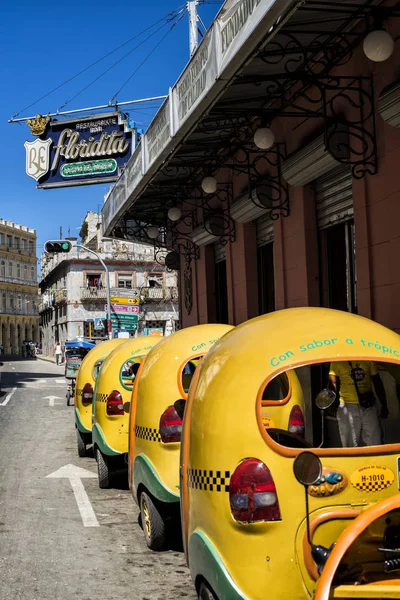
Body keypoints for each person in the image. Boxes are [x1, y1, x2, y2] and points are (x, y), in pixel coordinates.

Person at [329, 360, 388, 447]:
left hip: (368, 406)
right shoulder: (337, 361)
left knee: (375, 443)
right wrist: (333, 403)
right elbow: (333, 382)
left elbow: (377, 382)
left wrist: (384, 404)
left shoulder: (368, 359)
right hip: (347, 406)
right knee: (350, 445)